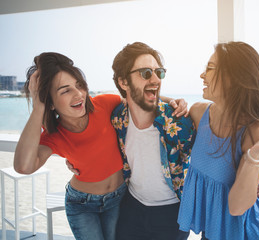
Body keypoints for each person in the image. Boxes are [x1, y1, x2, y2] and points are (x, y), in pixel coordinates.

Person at [110, 42, 259, 240]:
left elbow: (236, 185)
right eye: (146, 73)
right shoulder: (118, 117)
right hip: (191, 225)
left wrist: (258, 176)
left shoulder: (254, 130)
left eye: (159, 73)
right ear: (124, 82)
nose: (155, 79)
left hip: (230, 226)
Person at [13, 52, 187, 240]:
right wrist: (39, 106)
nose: (78, 94)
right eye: (65, 90)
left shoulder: (104, 104)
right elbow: (24, 166)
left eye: (79, 86)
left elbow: (138, 98)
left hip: (119, 198)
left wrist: (173, 102)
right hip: (81, 204)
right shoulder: (54, 135)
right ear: (50, 103)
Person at [177, 41, 259, 240]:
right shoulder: (198, 112)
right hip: (212, 231)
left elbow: (237, 207)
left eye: (210, 68)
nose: (202, 75)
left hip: (246, 231)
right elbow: (152, 105)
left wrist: (254, 155)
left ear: (234, 77)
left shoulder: (257, 131)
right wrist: (173, 101)